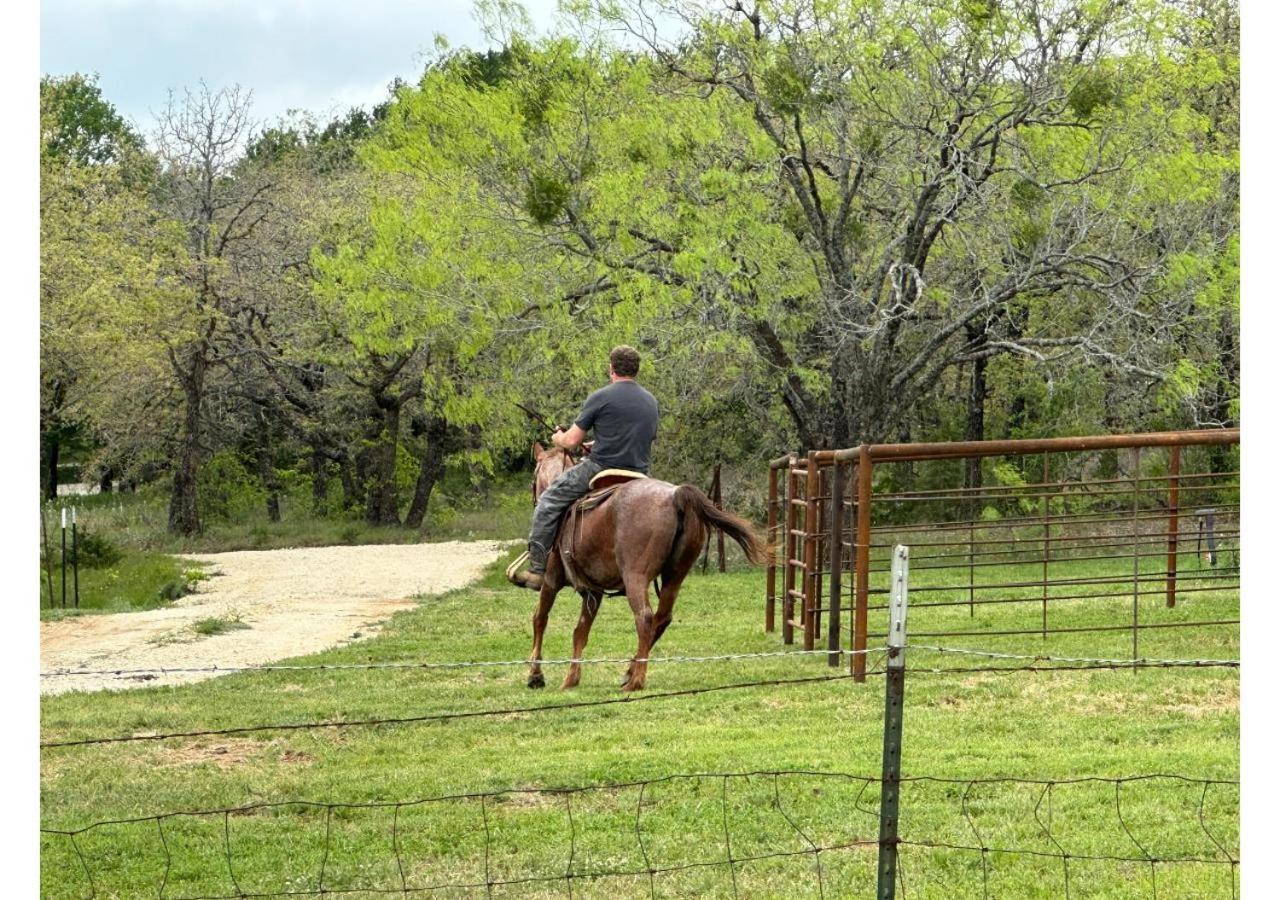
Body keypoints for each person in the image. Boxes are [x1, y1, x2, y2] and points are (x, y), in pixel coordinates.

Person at [511, 345, 660, 591]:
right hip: (639, 474)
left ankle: (537, 569)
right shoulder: (651, 401)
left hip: (601, 469)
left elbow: (570, 441)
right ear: (637, 370)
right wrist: (600, 442)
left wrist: (558, 438)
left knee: (548, 501)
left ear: (611, 369)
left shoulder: (601, 397)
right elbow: (641, 437)